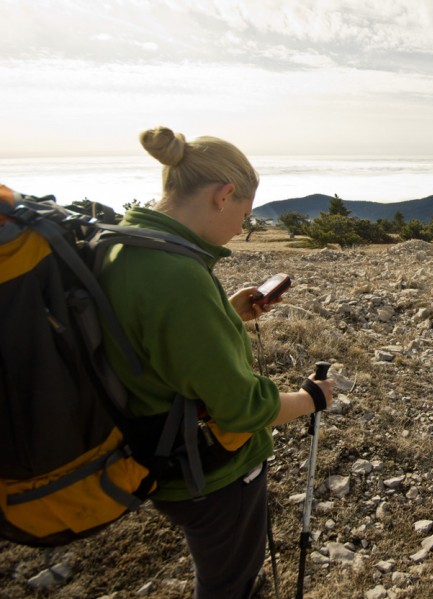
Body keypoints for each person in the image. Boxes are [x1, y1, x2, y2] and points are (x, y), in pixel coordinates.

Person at [99, 126, 334, 598]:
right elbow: (243, 408)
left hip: (151, 449)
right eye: (244, 215)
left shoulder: (125, 246)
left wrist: (224, 312)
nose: (239, 229)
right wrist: (311, 398)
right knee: (228, 583)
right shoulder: (177, 276)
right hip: (209, 472)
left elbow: (151, 341)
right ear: (223, 195)